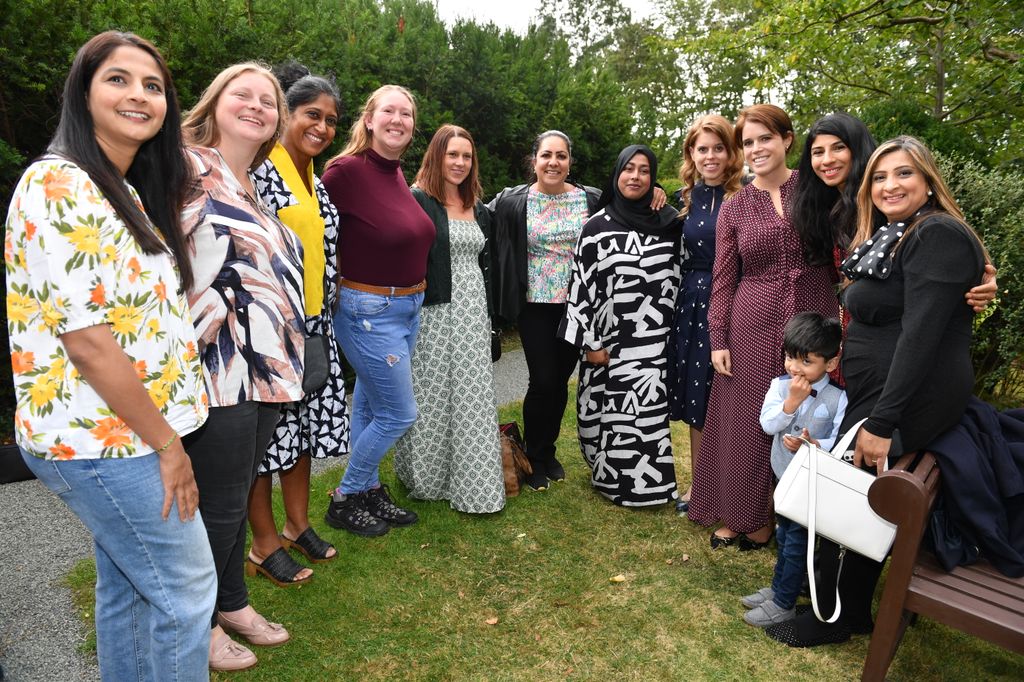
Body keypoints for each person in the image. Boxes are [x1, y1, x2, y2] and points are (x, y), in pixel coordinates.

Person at [5, 31, 216, 679]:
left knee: (129, 586)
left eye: (153, 85)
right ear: (83, 91)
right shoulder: (59, 184)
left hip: (123, 434)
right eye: (118, 79)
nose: (139, 95)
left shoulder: (117, 190)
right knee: (186, 592)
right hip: (107, 442)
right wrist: (169, 447)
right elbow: (89, 343)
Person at [767, 136, 988, 647]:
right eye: (881, 177)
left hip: (900, 398)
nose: (891, 185)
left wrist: (883, 423)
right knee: (857, 497)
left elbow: (921, 335)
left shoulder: (937, 235)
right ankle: (847, 609)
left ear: (929, 180)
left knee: (845, 499)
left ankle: (833, 618)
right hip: (880, 393)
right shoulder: (897, 233)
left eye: (905, 174)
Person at [180, 62, 306, 670]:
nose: (257, 106)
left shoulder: (253, 184)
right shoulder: (185, 166)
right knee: (220, 506)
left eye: (268, 100)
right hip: (217, 365)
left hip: (264, 370)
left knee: (233, 495)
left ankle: (232, 601)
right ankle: (198, 624)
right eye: (243, 95)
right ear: (215, 102)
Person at [687, 104, 838, 549]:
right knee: (747, 420)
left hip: (811, 314)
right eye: (748, 142)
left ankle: (799, 518)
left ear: (788, 139)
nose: (756, 149)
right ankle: (744, 515)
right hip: (750, 318)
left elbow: (852, 245)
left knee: (807, 412)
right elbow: (723, 277)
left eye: (764, 138)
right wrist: (718, 337)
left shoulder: (816, 191)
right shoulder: (736, 206)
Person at [248, 63, 350, 583]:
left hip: (312, 327)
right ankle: (263, 545)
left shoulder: (314, 177)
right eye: (313, 115)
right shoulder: (260, 169)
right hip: (270, 331)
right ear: (285, 113)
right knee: (264, 442)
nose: (323, 128)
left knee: (302, 434)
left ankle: (296, 525)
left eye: (332, 120)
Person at [321, 85, 435, 536]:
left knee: (369, 407)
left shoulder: (396, 175)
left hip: (407, 308)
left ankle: (367, 487)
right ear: (368, 119)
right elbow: (318, 235)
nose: (398, 119)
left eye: (406, 113)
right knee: (399, 413)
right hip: (367, 309)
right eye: (389, 110)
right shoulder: (345, 172)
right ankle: (346, 495)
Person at [559, 144, 681, 506]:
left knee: (646, 415)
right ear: (616, 174)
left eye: (644, 170)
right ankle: (609, 479)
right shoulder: (595, 228)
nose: (636, 176)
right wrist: (591, 342)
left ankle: (652, 488)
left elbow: (683, 277)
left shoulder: (672, 224)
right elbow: (581, 287)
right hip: (609, 342)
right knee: (602, 414)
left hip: (655, 340)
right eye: (629, 169)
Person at [393, 124, 505, 513]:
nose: (459, 162)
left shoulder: (479, 206)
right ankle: (426, 478)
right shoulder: (417, 199)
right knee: (433, 393)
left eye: (466, 156)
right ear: (437, 156)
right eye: (452, 154)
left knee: (473, 393)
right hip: (435, 310)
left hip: (473, 310)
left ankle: (475, 480)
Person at [791, 112, 997, 317]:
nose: (827, 160)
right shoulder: (823, 209)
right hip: (856, 329)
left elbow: (942, 244)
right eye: (817, 152)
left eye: (839, 147)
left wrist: (983, 276)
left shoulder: (888, 203)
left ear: (858, 148)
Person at [488, 130, 601, 490]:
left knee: (560, 383)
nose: (554, 162)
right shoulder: (512, 201)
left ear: (570, 162)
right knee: (543, 380)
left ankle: (548, 451)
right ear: (534, 160)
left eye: (562, 156)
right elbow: (470, 214)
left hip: (578, 306)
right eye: (547, 155)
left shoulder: (591, 199)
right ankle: (534, 457)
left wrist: (658, 196)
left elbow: (631, 209)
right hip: (535, 305)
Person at [742, 312, 846, 627]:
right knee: (784, 536)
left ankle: (784, 603)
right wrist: (791, 403)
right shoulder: (780, 386)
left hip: (811, 485)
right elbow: (768, 423)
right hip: (783, 475)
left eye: (804, 361)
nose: (794, 367)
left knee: (797, 541)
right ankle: (778, 590)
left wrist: (815, 445)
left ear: (830, 364)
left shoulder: (838, 398)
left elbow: (838, 442)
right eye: (789, 357)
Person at [667, 115, 745, 513]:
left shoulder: (747, 194)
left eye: (719, 148)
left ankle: (735, 491)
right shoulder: (685, 198)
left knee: (731, 398)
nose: (711, 156)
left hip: (736, 300)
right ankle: (701, 491)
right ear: (691, 155)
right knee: (698, 396)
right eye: (703, 149)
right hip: (693, 303)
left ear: (732, 153)